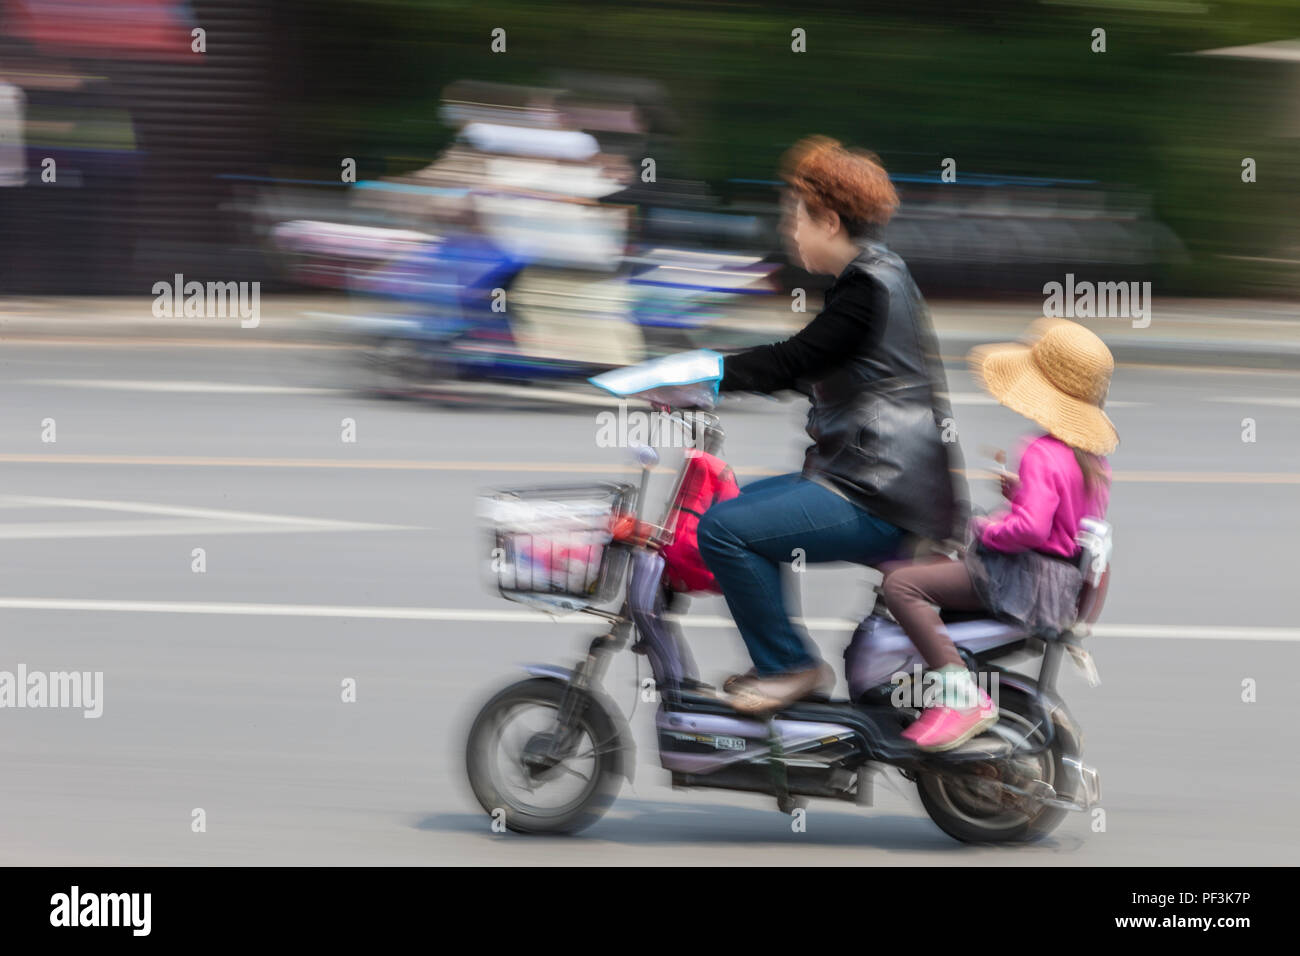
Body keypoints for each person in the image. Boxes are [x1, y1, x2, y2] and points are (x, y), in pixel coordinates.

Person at [697, 136, 966, 714]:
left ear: (830, 219)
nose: (790, 230)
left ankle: (789, 666)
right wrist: (710, 379)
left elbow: (792, 360)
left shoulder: (865, 288)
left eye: (795, 216)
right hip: (885, 484)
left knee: (724, 528)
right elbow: (810, 368)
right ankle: (783, 658)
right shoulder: (878, 277)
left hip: (877, 493)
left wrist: (702, 374)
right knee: (743, 511)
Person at [880, 318, 1117, 751]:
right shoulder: (1092, 458)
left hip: (1023, 579)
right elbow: (1065, 517)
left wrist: (985, 528)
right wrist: (1022, 492)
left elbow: (1031, 528)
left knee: (901, 585)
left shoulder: (1041, 450)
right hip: (1058, 584)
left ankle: (960, 695)